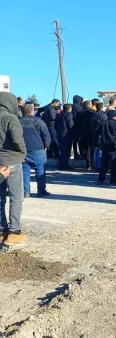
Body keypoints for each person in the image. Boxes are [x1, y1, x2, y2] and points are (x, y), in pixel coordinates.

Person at [0, 92, 28, 246]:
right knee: (16, 198)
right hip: (12, 161)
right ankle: (15, 230)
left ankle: (1, 229)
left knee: (0, 198)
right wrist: (22, 153)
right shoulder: (11, 118)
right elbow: (18, 140)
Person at [19, 104, 51, 197]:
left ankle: (25, 192)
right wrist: (46, 146)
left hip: (22, 149)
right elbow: (46, 135)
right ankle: (41, 191)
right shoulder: (38, 121)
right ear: (32, 111)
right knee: (40, 170)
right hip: (37, 149)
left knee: (25, 171)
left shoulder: (18, 122)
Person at [96, 110, 116, 185]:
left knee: (104, 163)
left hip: (104, 146)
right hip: (114, 146)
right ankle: (113, 179)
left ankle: (100, 179)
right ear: (115, 116)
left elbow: (97, 134)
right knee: (114, 164)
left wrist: (98, 143)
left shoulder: (102, 123)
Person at [55, 104, 75, 170]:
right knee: (67, 151)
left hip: (59, 134)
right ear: (69, 108)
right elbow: (70, 125)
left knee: (61, 150)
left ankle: (60, 165)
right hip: (67, 135)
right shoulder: (69, 115)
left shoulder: (58, 115)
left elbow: (55, 125)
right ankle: (65, 165)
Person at [76, 100, 95, 170]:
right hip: (92, 133)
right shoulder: (93, 112)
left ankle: (88, 165)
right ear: (90, 105)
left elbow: (77, 125)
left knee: (87, 150)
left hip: (83, 134)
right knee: (92, 149)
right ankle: (93, 165)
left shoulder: (80, 114)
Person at [90, 103, 108, 171]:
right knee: (100, 151)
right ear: (102, 107)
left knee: (96, 150)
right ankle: (100, 166)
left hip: (94, 133)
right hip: (101, 134)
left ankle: (95, 165)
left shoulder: (92, 115)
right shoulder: (104, 115)